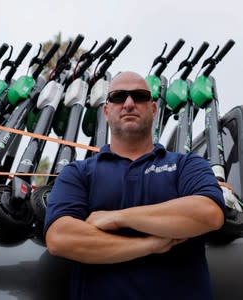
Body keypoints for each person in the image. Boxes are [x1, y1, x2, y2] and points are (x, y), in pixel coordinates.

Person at [44, 71, 226, 300]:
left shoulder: (186, 164)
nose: (129, 103)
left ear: (153, 109)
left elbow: (209, 213)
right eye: (119, 97)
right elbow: (61, 238)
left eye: (139, 96)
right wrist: (149, 244)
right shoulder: (78, 173)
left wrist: (117, 218)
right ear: (106, 111)